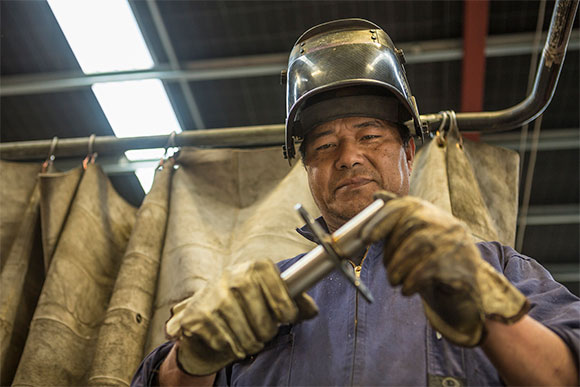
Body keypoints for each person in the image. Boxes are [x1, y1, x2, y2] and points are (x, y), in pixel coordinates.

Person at [132, 19, 579, 386]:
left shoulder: (495, 269)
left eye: (369, 136)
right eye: (324, 146)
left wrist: (485, 308)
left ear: (408, 152)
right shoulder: (264, 294)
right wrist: (190, 361)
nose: (348, 158)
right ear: (306, 171)